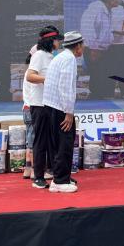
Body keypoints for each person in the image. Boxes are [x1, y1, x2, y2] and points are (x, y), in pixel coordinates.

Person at [43, 31, 84, 193]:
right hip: (60, 108)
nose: (83, 48)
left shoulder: (60, 56)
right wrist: (69, 112)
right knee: (64, 144)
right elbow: (65, 87)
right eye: (83, 45)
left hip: (51, 105)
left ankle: (57, 179)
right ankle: (61, 180)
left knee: (57, 145)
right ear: (78, 46)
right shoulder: (69, 59)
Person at [22, 26, 62, 188]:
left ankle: (55, 174)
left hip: (50, 103)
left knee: (52, 141)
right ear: (51, 41)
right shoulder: (39, 55)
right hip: (39, 105)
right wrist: (48, 79)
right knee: (40, 141)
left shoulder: (50, 56)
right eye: (57, 39)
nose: (59, 43)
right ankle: (38, 177)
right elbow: (30, 76)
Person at [80, 0, 124, 99]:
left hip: (103, 49)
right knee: (98, 79)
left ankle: (106, 102)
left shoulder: (108, 10)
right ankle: (95, 102)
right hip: (94, 49)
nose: (119, 0)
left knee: (106, 78)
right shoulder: (96, 9)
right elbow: (88, 29)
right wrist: (94, 49)